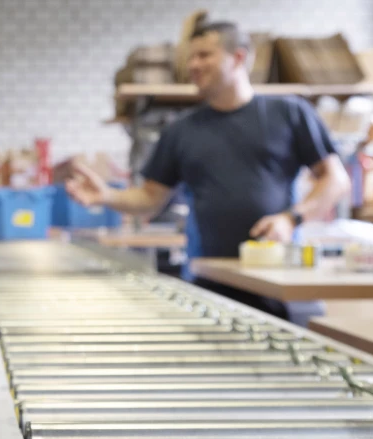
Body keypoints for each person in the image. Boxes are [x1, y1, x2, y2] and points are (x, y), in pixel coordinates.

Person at [67, 21, 351, 319]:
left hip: (276, 280)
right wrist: (106, 196)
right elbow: (150, 197)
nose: (193, 65)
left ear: (239, 58)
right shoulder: (181, 131)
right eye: (190, 57)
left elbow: (336, 179)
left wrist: (290, 219)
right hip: (208, 281)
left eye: (204, 55)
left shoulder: (289, 114)